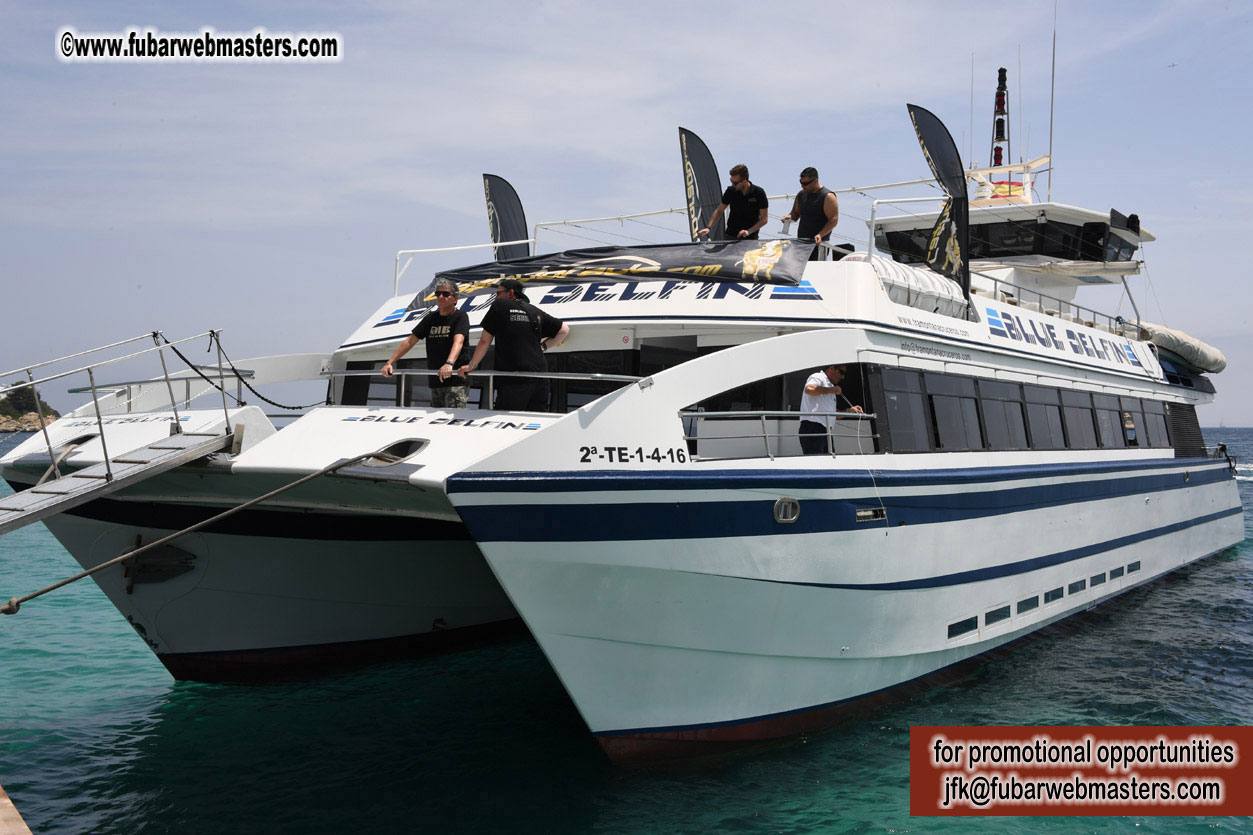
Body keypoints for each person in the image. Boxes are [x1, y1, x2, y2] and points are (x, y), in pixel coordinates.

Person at [459, 278, 569, 411]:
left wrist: (472, 365)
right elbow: (564, 330)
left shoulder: (499, 306)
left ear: (510, 293)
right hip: (541, 378)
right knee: (535, 423)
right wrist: (543, 347)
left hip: (514, 379)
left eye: (498, 293)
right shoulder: (535, 311)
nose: (495, 298)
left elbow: (484, 341)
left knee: (507, 423)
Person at [380, 278, 471, 408]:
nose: (440, 297)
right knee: (435, 425)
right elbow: (410, 341)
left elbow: (459, 341)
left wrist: (449, 363)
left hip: (455, 381)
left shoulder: (461, 316)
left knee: (453, 424)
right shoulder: (430, 318)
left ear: (455, 298)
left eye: (445, 294)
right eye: (438, 294)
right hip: (435, 381)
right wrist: (390, 362)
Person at [798, 364, 863, 455]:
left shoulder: (830, 386)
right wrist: (831, 390)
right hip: (813, 427)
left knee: (828, 462)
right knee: (817, 462)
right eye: (841, 372)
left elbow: (833, 414)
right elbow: (809, 389)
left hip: (825, 430)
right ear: (831, 369)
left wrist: (850, 411)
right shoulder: (818, 376)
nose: (843, 377)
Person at [779, 167, 838, 261]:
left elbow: (833, 220)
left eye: (805, 183)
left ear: (815, 181)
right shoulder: (801, 195)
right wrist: (789, 217)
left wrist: (820, 235)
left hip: (819, 245)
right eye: (801, 183)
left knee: (815, 272)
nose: (802, 186)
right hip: (802, 243)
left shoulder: (828, 196)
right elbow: (795, 213)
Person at [696, 164, 769, 241]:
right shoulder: (730, 191)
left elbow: (764, 219)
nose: (732, 185)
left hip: (751, 238)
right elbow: (719, 211)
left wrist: (749, 231)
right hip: (730, 236)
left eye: (735, 183)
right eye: (731, 181)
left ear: (744, 181)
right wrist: (708, 227)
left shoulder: (759, 193)